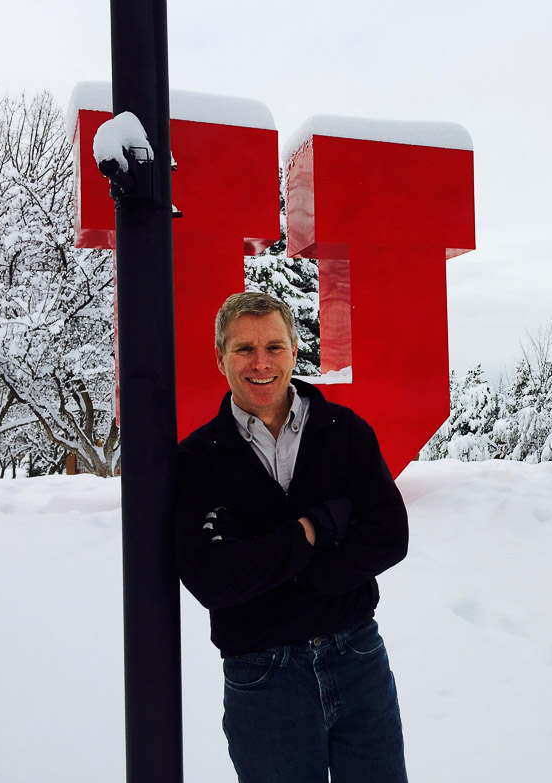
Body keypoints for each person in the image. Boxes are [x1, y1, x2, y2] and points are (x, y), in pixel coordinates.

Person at [175, 291, 410, 783]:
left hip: (358, 656)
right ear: (220, 358)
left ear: (295, 351)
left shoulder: (345, 432)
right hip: (263, 673)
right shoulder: (197, 460)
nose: (260, 363)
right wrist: (314, 529)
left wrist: (287, 566)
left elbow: (389, 535)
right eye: (243, 349)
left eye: (274, 347)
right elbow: (210, 580)